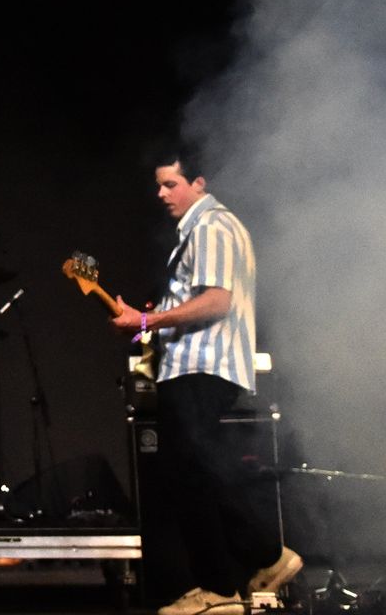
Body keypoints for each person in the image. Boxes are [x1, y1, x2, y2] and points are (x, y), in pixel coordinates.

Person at [111, 151, 302, 615]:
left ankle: (255, 564)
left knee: (196, 471)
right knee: (192, 473)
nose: (161, 194)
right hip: (192, 364)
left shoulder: (212, 225)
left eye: (170, 184)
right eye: (158, 185)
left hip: (204, 364)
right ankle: (227, 585)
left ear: (198, 182)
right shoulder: (200, 230)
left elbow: (216, 302)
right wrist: (146, 320)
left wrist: (149, 319)